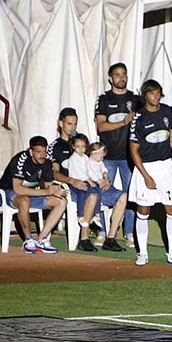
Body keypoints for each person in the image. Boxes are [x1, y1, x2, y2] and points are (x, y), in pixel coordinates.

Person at [49, 107, 126, 252]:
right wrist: (71, 181)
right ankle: (84, 239)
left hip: (93, 181)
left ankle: (110, 238)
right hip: (74, 185)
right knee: (92, 195)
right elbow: (54, 172)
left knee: (123, 196)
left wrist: (104, 178)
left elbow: (95, 163)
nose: (72, 127)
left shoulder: (83, 143)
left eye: (75, 124)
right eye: (69, 124)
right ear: (61, 124)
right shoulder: (56, 147)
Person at [128, 79, 172, 267]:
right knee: (143, 210)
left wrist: (167, 157)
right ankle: (143, 253)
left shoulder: (167, 111)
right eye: (152, 93)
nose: (155, 96)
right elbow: (133, 150)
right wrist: (146, 176)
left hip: (165, 167)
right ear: (145, 95)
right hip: (146, 167)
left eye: (158, 93)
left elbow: (171, 132)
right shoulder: (139, 118)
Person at [95, 62, 143, 249]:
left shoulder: (135, 99)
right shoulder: (104, 99)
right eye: (117, 75)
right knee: (104, 192)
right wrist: (123, 122)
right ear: (110, 77)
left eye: (124, 74)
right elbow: (101, 126)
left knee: (131, 194)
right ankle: (103, 231)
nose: (121, 78)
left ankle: (129, 232)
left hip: (130, 156)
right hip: (108, 156)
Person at [0, 136, 68, 254]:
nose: (42, 155)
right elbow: (17, 188)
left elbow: (47, 186)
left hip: (31, 194)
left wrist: (55, 191)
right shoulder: (21, 159)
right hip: (7, 194)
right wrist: (46, 192)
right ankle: (28, 240)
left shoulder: (48, 160)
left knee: (61, 201)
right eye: (38, 152)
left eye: (44, 151)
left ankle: (42, 239)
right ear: (31, 151)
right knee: (24, 201)